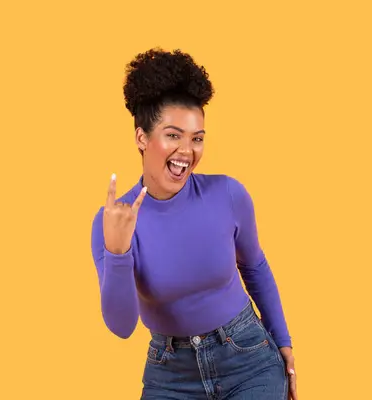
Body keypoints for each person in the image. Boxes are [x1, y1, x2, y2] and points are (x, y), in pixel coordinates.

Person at [91, 48, 298, 400]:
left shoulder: (229, 194)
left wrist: (284, 343)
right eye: (174, 135)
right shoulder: (112, 222)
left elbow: (256, 267)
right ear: (142, 138)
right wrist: (118, 251)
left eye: (197, 138)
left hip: (248, 358)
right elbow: (122, 327)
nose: (188, 150)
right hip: (170, 374)